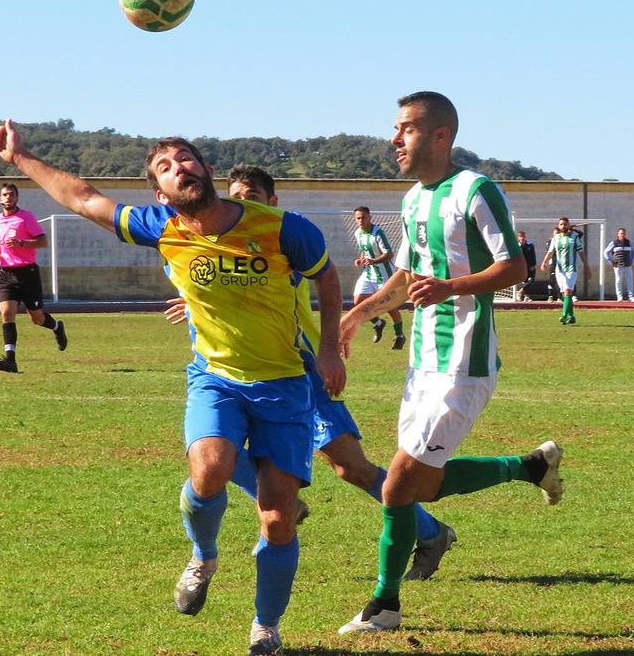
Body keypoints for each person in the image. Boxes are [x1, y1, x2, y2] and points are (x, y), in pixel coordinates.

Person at [0, 119, 345, 656]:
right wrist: (21, 159)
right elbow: (84, 199)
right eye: (166, 167)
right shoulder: (161, 226)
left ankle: (265, 628)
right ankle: (203, 555)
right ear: (161, 193)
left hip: (284, 384)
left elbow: (328, 277)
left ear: (208, 170)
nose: (180, 169)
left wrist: (329, 349)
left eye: (186, 159)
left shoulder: (282, 227)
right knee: (209, 467)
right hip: (216, 377)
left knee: (277, 519)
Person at [335, 92, 563, 635]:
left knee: (396, 487)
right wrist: (356, 313)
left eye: (407, 129)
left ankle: (383, 606)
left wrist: (451, 287)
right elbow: (407, 276)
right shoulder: (413, 200)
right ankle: (531, 466)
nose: (395, 140)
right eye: (396, 129)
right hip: (422, 364)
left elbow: (515, 267)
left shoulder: (476, 190)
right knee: (425, 488)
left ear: (440, 136)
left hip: (465, 363)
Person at [165, 165, 456, 582]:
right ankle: (281, 501)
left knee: (350, 467)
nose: (241, 206)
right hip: (245, 376)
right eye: (234, 197)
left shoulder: (283, 242)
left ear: (273, 203)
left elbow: (270, 285)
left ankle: (432, 531)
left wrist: (329, 352)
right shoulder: (214, 242)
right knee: (214, 452)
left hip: (302, 373)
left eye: (252, 197)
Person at [0, 182, 67, 373]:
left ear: (17, 198)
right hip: (5, 273)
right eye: (5, 195)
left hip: (27, 273)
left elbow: (43, 241)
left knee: (37, 319)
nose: (8, 197)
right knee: (7, 314)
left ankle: (57, 327)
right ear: (0, 199)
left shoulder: (26, 217)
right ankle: (10, 360)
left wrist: (21, 243)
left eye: (12, 194)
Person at [353, 206, 406, 349]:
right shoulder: (358, 233)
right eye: (358, 218)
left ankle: (400, 335)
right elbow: (364, 252)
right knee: (358, 300)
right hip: (369, 274)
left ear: (370, 217)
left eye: (363, 217)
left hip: (384, 275)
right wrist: (361, 259)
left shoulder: (378, 232)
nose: (361, 220)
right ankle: (378, 323)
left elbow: (389, 253)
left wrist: (374, 261)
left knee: (390, 306)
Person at [540, 216, 589, 325]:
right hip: (559, 270)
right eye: (561, 224)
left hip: (571, 269)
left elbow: (581, 253)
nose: (563, 226)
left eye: (565, 224)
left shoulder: (575, 237)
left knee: (567, 292)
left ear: (568, 225)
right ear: (558, 226)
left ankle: (564, 315)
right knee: (565, 294)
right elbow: (550, 252)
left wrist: (587, 266)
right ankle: (571, 316)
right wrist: (544, 262)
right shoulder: (555, 238)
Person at [603, 227, 634, 302]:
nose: (623, 235)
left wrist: (632, 260)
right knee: (618, 280)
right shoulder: (614, 243)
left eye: (624, 233)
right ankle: (619, 297)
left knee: (630, 280)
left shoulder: (629, 242)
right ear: (618, 234)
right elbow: (606, 252)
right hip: (618, 265)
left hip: (628, 265)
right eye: (621, 233)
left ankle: (631, 297)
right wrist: (611, 261)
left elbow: (633, 252)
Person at [514, 230, 537, 302]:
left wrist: (533, 264)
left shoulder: (530, 245)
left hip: (530, 266)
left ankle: (521, 292)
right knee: (525, 281)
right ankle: (526, 296)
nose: (522, 238)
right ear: (518, 238)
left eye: (523, 236)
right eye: (521, 237)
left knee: (531, 280)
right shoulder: (517, 246)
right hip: (521, 266)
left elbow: (533, 256)